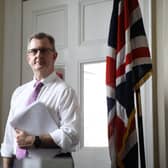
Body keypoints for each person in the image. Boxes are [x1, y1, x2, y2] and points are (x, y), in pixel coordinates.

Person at [1, 32, 80, 168]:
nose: (38, 55)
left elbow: (71, 134)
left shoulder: (65, 91)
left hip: (55, 163)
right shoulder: (19, 93)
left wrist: (34, 140)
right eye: (34, 51)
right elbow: (9, 139)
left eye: (43, 50)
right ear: (28, 58)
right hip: (20, 163)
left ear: (54, 56)